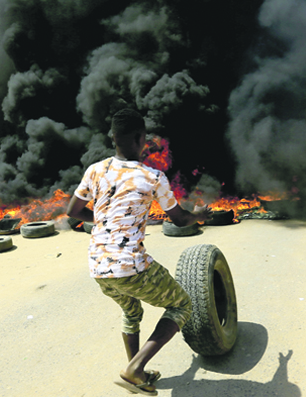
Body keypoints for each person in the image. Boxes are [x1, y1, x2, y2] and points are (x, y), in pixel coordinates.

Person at [67, 108, 211, 396]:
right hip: (129, 266)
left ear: (112, 138)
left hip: (97, 266)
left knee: (131, 311)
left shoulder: (94, 170)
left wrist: (107, 223)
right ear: (141, 138)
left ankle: (138, 372)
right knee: (182, 305)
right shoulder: (153, 176)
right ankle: (134, 369)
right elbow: (180, 220)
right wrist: (199, 214)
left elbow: (74, 211)